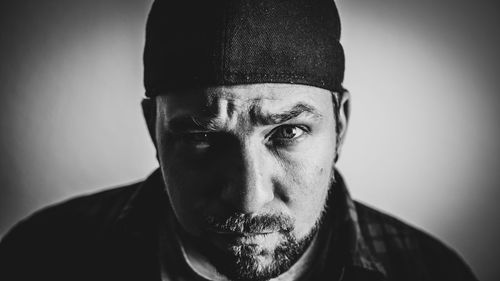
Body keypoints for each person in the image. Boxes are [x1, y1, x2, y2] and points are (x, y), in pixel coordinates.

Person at [0, 0, 477, 280]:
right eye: (202, 136)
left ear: (341, 125)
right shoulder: (40, 257)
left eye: (288, 132)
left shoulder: (427, 270)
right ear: (153, 129)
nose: (249, 196)